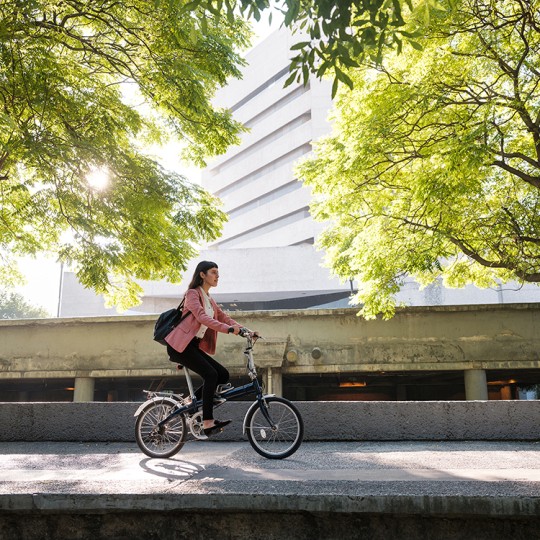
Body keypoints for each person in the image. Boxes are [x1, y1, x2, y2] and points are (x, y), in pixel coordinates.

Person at [165, 261, 246, 436]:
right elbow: (201, 317)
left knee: (222, 375)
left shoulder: (209, 299)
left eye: (218, 272)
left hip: (192, 346)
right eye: (213, 272)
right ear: (202, 275)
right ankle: (207, 421)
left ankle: (190, 402)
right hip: (180, 346)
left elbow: (224, 317)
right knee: (211, 374)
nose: (217, 276)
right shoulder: (192, 294)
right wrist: (228, 330)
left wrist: (245, 330)